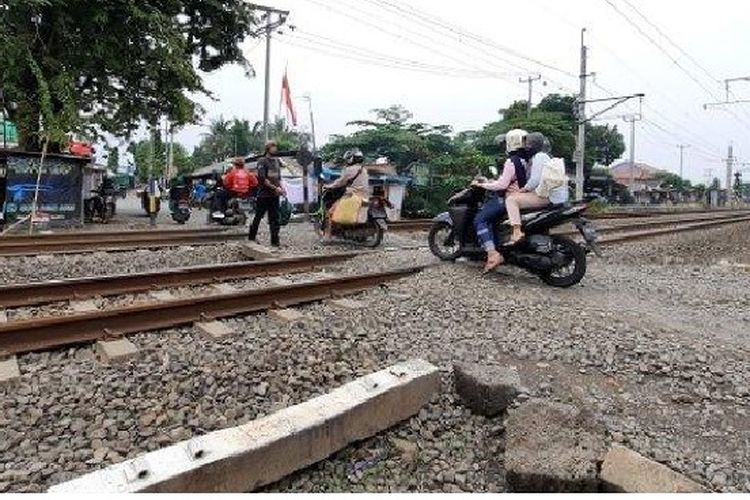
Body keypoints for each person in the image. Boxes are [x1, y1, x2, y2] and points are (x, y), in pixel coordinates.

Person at [472, 129, 529, 273]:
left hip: (508, 198)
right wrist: (493, 181)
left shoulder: (511, 161)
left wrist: (482, 185)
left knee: (480, 219)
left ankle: (492, 254)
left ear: (511, 142)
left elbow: (503, 185)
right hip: (524, 196)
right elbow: (510, 180)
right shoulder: (527, 159)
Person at [505, 132, 569, 245]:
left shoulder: (539, 157)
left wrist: (523, 190)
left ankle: (516, 231)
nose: (525, 147)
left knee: (511, 199)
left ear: (532, 145)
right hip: (557, 196)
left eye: (527, 145)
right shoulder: (547, 156)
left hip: (548, 197)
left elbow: (535, 179)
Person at [322, 148, 370, 242]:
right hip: (364, 196)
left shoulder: (349, 170)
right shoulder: (364, 170)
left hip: (351, 195)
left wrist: (328, 186)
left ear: (351, 159)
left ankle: (327, 237)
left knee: (330, 213)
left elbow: (340, 182)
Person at [249, 140, 285, 246]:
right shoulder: (262, 161)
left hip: (274, 195)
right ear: (268, 149)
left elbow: (278, 178)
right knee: (258, 217)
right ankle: (251, 237)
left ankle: (275, 241)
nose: (275, 149)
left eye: (276, 146)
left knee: (275, 219)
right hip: (263, 195)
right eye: (273, 147)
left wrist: (282, 188)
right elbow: (262, 179)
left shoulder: (276, 162)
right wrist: (275, 188)